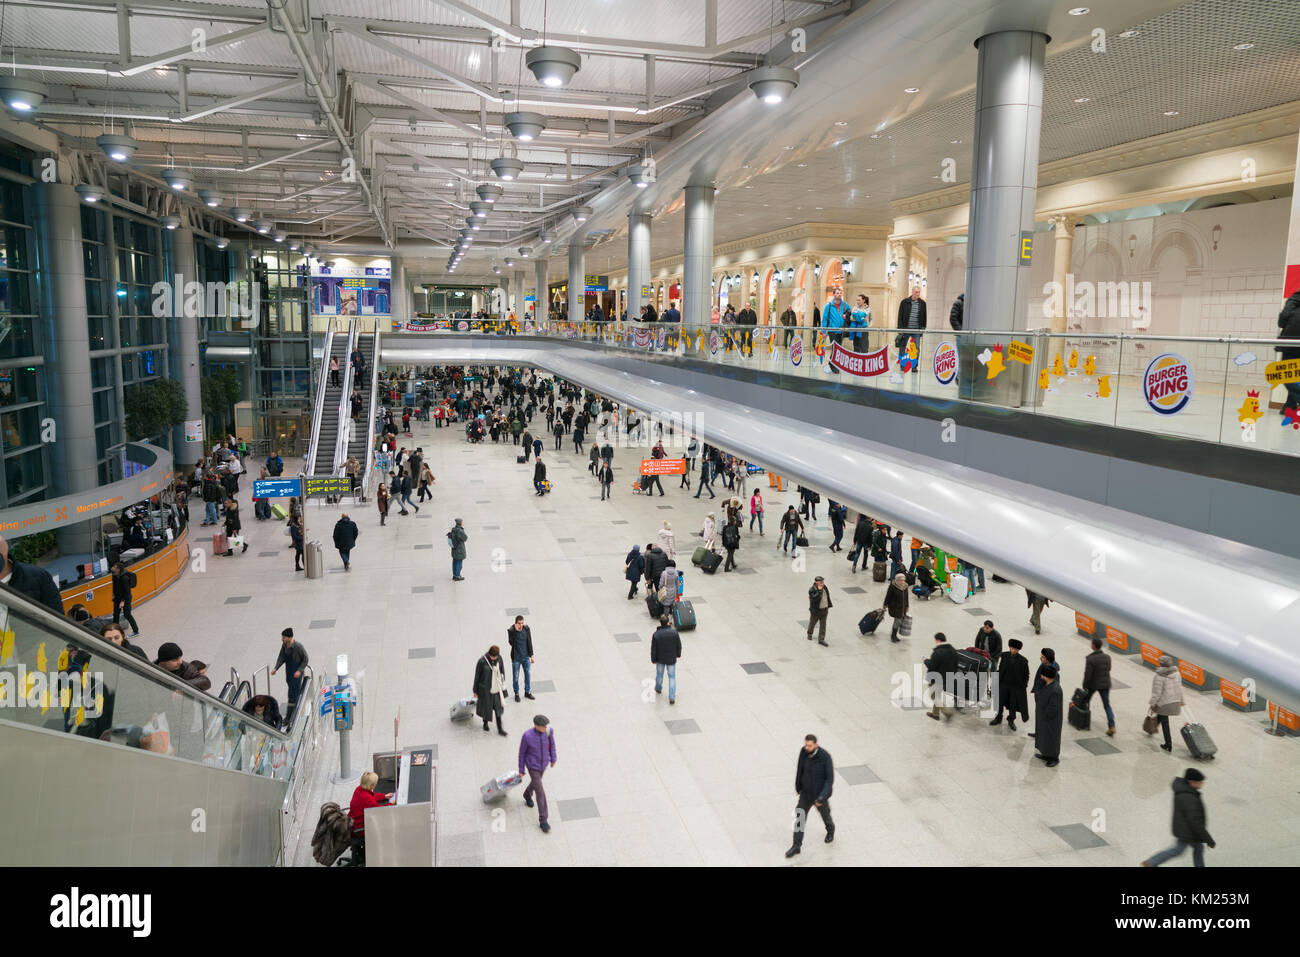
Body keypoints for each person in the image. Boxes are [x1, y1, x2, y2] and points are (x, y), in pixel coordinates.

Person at [1142, 769, 1215, 867]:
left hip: (1185, 828)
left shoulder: (1185, 791)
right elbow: (1195, 822)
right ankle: (1151, 862)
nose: (1202, 784)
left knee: (1198, 848)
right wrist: (1209, 840)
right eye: (1200, 782)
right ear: (1191, 782)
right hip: (1188, 832)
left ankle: (1151, 862)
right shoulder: (1189, 797)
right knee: (1178, 850)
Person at [785, 734, 834, 858]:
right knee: (800, 818)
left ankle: (830, 829)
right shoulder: (803, 752)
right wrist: (799, 786)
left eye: (810, 745)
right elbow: (800, 769)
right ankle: (796, 845)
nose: (807, 747)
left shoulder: (825, 757)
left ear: (816, 745)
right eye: (806, 745)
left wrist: (822, 797)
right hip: (806, 794)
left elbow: (829, 780)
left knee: (825, 814)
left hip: (819, 796)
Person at [518, 715, 558, 833]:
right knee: (540, 792)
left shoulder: (549, 731)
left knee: (536, 783)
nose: (545, 727)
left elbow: (552, 745)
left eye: (546, 725)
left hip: (544, 764)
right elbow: (521, 754)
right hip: (532, 766)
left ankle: (526, 794)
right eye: (543, 726)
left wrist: (553, 758)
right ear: (536, 725)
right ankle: (543, 820)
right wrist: (521, 770)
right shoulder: (527, 736)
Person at [348, 771, 393, 866]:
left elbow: (371, 797)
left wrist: (384, 796)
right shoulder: (366, 798)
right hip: (359, 828)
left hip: (352, 822)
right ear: (372, 785)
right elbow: (379, 810)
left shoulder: (359, 789)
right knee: (386, 828)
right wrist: (391, 804)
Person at [990, 638, 1030, 729]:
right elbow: (1000, 668)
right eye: (1012, 648)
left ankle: (1011, 719)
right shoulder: (1004, 656)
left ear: (1018, 650)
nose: (1013, 650)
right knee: (1000, 702)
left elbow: (1026, 674)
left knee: (1013, 704)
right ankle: (998, 717)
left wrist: (1024, 685)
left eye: (1015, 649)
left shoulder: (1023, 661)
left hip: (1015, 687)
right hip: (1003, 684)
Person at [1148, 654, 1184, 753]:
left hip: (1164, 703)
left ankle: (1168, 744)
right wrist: (1182, 701)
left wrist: (1152, 703)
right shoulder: (1177, 673)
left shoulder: (1159, 675)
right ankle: (1151, 729)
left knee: (1165, 722)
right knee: (1161, 717)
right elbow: (1179, 688)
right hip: (1174, 701)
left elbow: (1157, 692)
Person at [271, 627, 308, 719]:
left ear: (289, 637)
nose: (282, 639)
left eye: (283, 637)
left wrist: (299, 670)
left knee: (292, 695)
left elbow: (305, 659)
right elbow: (281, 657)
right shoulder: (284, 646)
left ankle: (290, 717)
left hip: (296, 674)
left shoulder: (298, 647)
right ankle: (293, 714)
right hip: (289, 673)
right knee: (293, 694)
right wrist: (276, 668)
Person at [1082, 637, 1117, 736]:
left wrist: (1085, 685)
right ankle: (1112, 726)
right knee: (1107, 705)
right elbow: (1108, 669)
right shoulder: (1107, 657)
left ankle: (1084, 721)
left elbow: (1088, 674)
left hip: (1093, 684)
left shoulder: (1090, 659)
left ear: (1093, 645)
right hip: (1105, 684)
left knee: (1086, 700)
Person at [473, 645, 507, 736]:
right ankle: (485, 723)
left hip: (496, 689)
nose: (495, 658)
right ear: (490, 654)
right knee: (486, 708)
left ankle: (500, 729)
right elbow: (477, 676)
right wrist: (475, 691)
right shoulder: (482, 661)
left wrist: (503, 685)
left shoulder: (499, 659)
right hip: (485, 689)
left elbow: (502, 672)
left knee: (498, 708)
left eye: (496, 656)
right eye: (493, 656)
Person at [1276, 285, 1300, 416]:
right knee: (1295, 374)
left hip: (1292, 340)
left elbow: (1284, 316)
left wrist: (1283, 324)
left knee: (1286, 374)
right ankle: (1289, 406)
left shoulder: (1295, 298)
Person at [924, 632, 958, 721]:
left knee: (933, 696)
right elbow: (955, 664)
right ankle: (935, 714)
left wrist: (925, 660)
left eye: (935, 640)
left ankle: (947, 712)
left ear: (938, 640)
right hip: (947, 677)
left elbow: (932, 665)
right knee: (937, 695)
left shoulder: (938, 652)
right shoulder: (953, 650)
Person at [1033, 667, 1062, 767]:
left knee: (1051, 738)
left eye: (1042, 675)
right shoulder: (1046, 684)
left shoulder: (1055, 690)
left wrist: (1045, 715)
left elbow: (1053, 708)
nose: (1041, 676)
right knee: (1044, 737)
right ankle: (1046, 754)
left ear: (1046, 676)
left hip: (1050, 720)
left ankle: (1054, 758)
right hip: (1043, 718)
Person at [1029, 648, 1060, 738]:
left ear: (1048, 659)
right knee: (1039, 715)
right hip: (1039, 694)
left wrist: (1041, 695)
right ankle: (1038, 732)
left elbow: (1053, 687)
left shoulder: (1053, 672)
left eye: (1042, 657)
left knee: (1044, 716)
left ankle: (1042, 734)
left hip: (1044, 697)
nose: (1040, 658)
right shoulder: (1044, 664)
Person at [651, 613, 682, 704]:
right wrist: (678, 654)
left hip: (660, 658)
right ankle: (672, 697)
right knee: (672, 677)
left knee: (659, 674)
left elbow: (653, 648)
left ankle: (658, 688)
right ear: (668, 622)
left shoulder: (656, 634)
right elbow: (678, 645)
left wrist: (653, 659)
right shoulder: (674, 633)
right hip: (671, 658)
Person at [895, 285, 927, 372]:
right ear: (912, 292)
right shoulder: (904, 302)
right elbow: (900, 316)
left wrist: (923, 329)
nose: (917, 294)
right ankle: (902, 364)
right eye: (916, 292)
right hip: (905, 329)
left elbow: (924, 317)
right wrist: (900, 328)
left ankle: (914, 366)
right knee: (903, 346)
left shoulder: (922, 303)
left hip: (917, 330)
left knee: (916, 348)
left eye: (919, 292)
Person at [507, 615, 535, 703]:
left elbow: (529, 642)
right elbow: (511, 642)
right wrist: (515, 631)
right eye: (519, 623)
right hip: (516, 658)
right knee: (515, 677)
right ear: (516, 623)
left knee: (528, 675)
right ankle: (517, 694)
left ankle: (527, 692)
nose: (521, 625)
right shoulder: (511, 630)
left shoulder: (526, 629)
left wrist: (531, 655)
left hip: (526, 657)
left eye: (522, 623)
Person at [110, 562, 140, 638]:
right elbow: (114, 585)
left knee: (127, 614)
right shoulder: (114, 575)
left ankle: (136, 631)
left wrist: (123, 601)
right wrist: (113, 594)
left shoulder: (124, 578)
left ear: (118, 569)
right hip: (117, 597)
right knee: (115, 614)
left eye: (115, 567)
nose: (113, 568)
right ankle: (114, 630)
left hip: (126, 598)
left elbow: (127, 591)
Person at [882, 572, 910, 642]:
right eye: (901, 580)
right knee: (897, 621)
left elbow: (906, 597)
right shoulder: (893, 586)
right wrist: (885, 605)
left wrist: (907, 606)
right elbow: (888, 596)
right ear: (897, 580)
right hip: (895, 607)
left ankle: (893, 634)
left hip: (902, 607)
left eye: (903, 580)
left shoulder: (905, 586)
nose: (902, 581)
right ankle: (893, 635)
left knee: (898, 621)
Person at [806, 576, 832, 646]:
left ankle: (821, 639)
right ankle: (809, 633)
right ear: (816, 582)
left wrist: (828, 605)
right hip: (816, 610)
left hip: (824, 609)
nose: (822, 583)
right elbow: (814, 599)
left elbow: (827, 596)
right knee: (813, 622)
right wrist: (819, 591)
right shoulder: (812, 589)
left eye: (823, 582)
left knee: (823, 624)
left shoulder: (825, 587)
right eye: (821, 582)